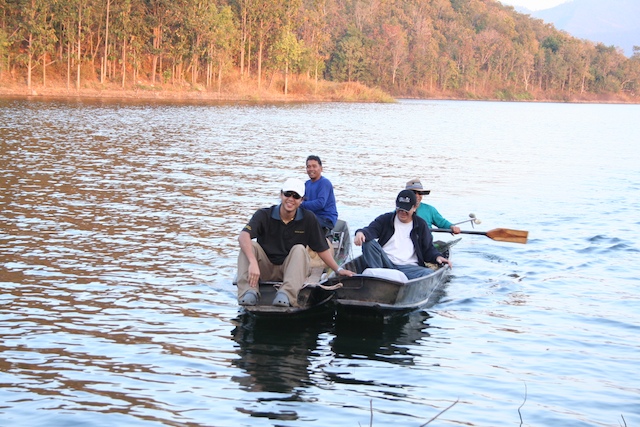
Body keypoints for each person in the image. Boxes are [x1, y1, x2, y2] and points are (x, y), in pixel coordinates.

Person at [236, 178, 355, 307]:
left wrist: (338, 269)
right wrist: (253, 262)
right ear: (281, 195)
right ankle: (248, 292)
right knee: (248, 246)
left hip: (291, 270)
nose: (291, 199)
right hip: (265, 267)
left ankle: (286, 294)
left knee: (299, 249)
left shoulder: (308, 218)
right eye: (287, 194)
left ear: (301, 200)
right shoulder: (263, 214)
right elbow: (243, 236)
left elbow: (321, 248)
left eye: (296, 196)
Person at [353, 190, 452, 279]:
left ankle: (385, 278)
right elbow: (370, 230)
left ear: (414, 208)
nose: (402, 212)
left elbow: (428, 249)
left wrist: (437, 257)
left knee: (428, 273)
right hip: (385, 263)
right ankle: (378, 277)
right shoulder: (386, 219)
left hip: (408, 267)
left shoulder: (421, 224)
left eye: (406, 210)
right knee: (368, 242)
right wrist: (360, 233)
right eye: (400, 209)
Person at [300, 155, 338, 235]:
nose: (311, 169)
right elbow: (301, 200)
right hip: (312, 216)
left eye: (314, 166)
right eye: (308, 167)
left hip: (326, 219)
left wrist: (301, 204)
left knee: (303, 222)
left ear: (321, 168)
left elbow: (320, 203)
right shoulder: (307, 184)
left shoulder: (324, 183)